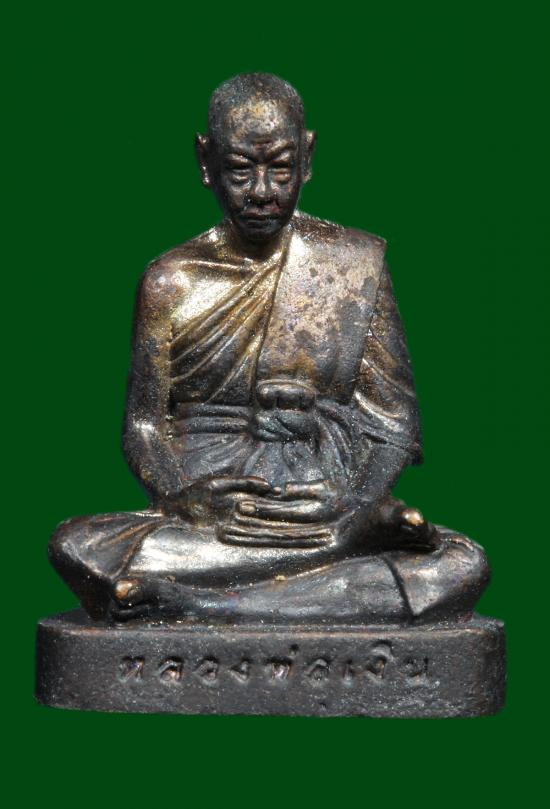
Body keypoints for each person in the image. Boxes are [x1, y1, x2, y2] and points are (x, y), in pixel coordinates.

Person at [50, 73, 489, 622]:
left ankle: (204, 603)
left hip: (323, 506)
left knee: (462, 564)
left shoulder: (351, 267)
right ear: (206, 161)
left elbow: (393, 424)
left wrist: (354, 507)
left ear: (307, 158)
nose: (261, 191)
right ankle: (314, 584)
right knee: (78, 545)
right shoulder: (171, 282)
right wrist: (184, 495)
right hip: (220, 517)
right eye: (240, 170)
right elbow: (144, 426)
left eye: (280, 168)